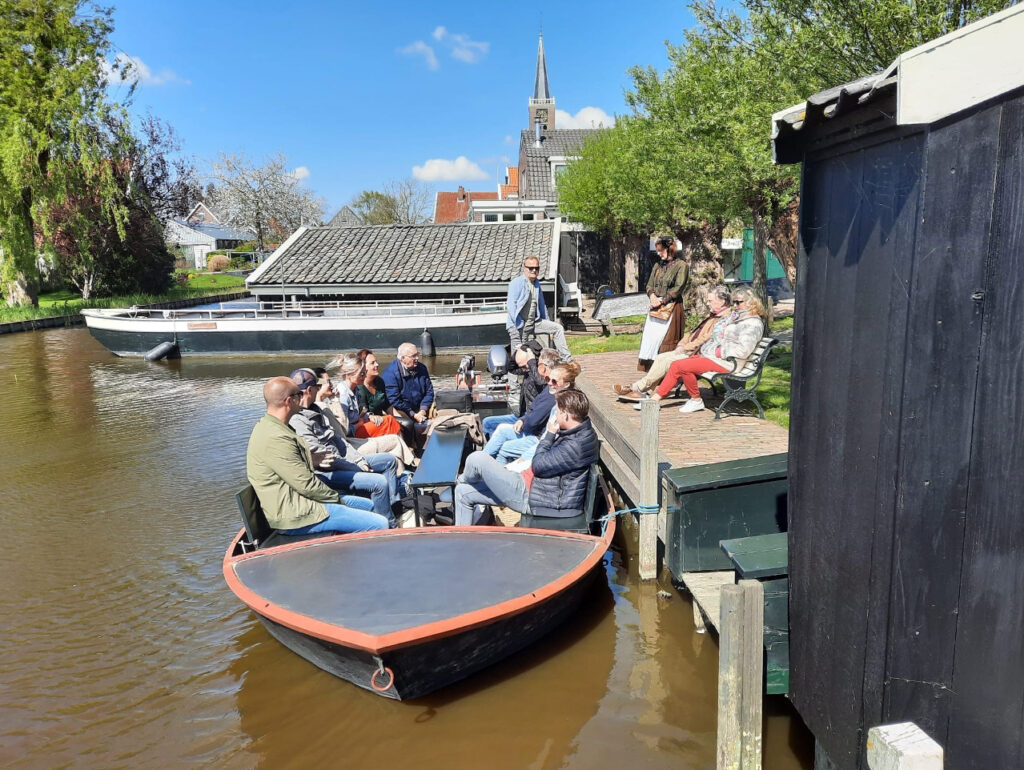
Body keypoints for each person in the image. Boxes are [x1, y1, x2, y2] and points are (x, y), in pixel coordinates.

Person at [245, 376, 389, 536]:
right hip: (296, 515)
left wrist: (312, 458)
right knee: (380, 524)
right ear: (289, 401)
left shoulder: (276, 427)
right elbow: (306, 485)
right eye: (299, 395)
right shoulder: (276, 438)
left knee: (367, 505)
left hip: (303, 502)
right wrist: (338, 499)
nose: (302, 398)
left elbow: (290, 466)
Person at [454, 390, 600, 526]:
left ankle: (460, 480)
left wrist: (549, 434)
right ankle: (461, 543)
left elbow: (538, 465)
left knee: (477, 459)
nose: (554, 416)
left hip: (534, 498)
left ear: (565, 415)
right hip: (533, 486)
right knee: (462, 493)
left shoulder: (575, 445)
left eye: (557, 412)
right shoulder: (578, 433)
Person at [286, 368, 402, 525]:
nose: (319, 389)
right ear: (309, 389)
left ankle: (392, 508)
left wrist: (359, 460)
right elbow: (324, 457)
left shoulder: (317, 409)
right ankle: (388, 525)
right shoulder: (298, 420)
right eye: (317, 387)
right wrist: (355, 465)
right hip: (327, 472)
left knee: (389, 461)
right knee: (379, 482)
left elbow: (340, 440)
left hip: (343, 462)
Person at [648, 287, 766, 414]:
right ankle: (656, 399)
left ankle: (693, 400)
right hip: (717, 357)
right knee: (678, 365)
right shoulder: (737, 318)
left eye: (739, 302)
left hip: (730, 362)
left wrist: (719, 351)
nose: (735, 305)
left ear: (751, 302)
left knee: (681, 366)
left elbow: (743, 350)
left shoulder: (752, 323)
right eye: (734, 302)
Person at [614, 285, 732, 398]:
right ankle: (644, 391)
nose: (707, 303)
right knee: (661, 357)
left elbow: (706, 338)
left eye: (710, 300)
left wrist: (686, 348)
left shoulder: (723, 319)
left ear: (722, 301)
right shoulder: (713, 315)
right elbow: (692, 333)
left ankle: (637, 388)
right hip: (690, 350)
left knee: (667, 361)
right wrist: (682, 343)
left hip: (698, 354)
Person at [315, 369, 415, 473]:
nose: (331, 384)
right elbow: (343, 432)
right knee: (394, 439)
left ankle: (404, 476)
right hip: (348, 447)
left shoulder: (359, 389)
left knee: (394, 444)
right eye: (328, 382)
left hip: (349, 442)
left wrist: (367, 416)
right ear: (317, 386)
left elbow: (355, 416)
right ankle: (407, 471)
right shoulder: (324, 407)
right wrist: (335, 401)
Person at [484, 361, 580, 464]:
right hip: (536, 431)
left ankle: (485, 466)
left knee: (503, 447)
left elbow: (548, 436)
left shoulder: (559, 404)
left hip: (538, 439)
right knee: (501, 429)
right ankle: (483, 463)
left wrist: (525, 457)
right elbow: (534, 407)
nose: (549, 383)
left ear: (566, 384)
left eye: (554, 381)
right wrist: (523, 419)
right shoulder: (552, 391)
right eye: (548, 379)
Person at [506, 255, 572, 362]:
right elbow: (511, 306)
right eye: (530, 268)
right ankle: (513, 379)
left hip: (534, 323)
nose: (533, 270)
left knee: (557, 328)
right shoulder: (516, 283)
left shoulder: (537, 284)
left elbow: (542, 306)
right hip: (517, 325)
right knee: (517, 358)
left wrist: (548, 326)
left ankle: (567, 361)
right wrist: (518, 325)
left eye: (536, 268)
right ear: (524, 268)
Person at [481, 346, 558, 438]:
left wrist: (531, 362)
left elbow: (541, 382)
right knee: (487, 422)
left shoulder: (545, 377)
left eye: (526, 365)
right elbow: (510, 368)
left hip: (531, 417)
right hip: (522, 415)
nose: (524, 368)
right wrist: (520, 349)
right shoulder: (528, 370)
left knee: (499, 430)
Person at [638, 236, 689, 371]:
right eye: (658, 251)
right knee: (652, 339)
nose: (659, 253)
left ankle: (665, 373)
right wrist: (652, 296)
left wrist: (662, 300)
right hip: (655, 308)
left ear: (670, 249)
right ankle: (651, 372)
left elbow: (678, 288)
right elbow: (649, 284)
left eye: (661, 250)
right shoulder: (657, 265)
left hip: (671, 308)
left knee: (666, 340)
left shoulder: (681, 266)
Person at [380, 342, 434, 444]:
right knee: (406, 421)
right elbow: (394, 399)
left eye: (417, 354)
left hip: (420, 406)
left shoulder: (422, 368)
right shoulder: (390, 374)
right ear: (403, 358)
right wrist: (413, 414)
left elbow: (429, 391)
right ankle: (412, 445)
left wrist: (423, 409)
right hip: (403, 409)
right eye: (413, 356)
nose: (417, 358)